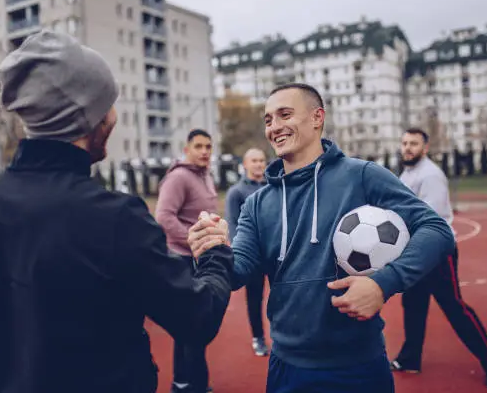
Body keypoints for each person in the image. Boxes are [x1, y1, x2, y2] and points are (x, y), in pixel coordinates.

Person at [0, 30, 233, 393]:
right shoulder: (114, 218)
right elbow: (197, 318)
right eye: (109, 103)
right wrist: (215, 253)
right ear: (94, 119)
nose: (114, 114)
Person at [187, 82, 456, 393]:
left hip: (359, 365)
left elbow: (436, 229)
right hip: (287, 367)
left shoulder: (362, 176)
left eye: (285, 114)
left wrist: (383, 284)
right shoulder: (256, 204)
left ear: (317, 118)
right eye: (268, 119)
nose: (274, 127)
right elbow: (238, 272)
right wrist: (212, 248)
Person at [390, 127, 487, 388]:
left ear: (425, 148)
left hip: (437, 251)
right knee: (414, 304)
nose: (407, 148)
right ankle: (410, 359)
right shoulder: (408, 172)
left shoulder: (431, 175)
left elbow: (430, 220)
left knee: (455, 308)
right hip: (416, 251)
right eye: (405, 143)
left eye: (413, 144)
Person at [155, 129, 219, 393]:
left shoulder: (206, 175)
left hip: (200, 258)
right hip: (182, 260)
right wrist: (193, 241)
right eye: (198, 146)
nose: (204, 151)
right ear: (187, 149)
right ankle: (184, 385)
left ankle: (193, 382)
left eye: (208, 146)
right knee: (189, 327)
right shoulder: (179, 177)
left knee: (197, 327)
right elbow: (163, 217)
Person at [225, 148, 269, 357]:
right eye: (254, 161)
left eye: (261, 160)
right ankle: (258, 338)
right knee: (255, 299)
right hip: (253, 256)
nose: (259, 164)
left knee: (285, 294)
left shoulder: (273, 186)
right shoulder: (236, 192)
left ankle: (283, 336)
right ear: (245, 164)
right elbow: (233, 224)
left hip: (276, 253)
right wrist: (239, 252)